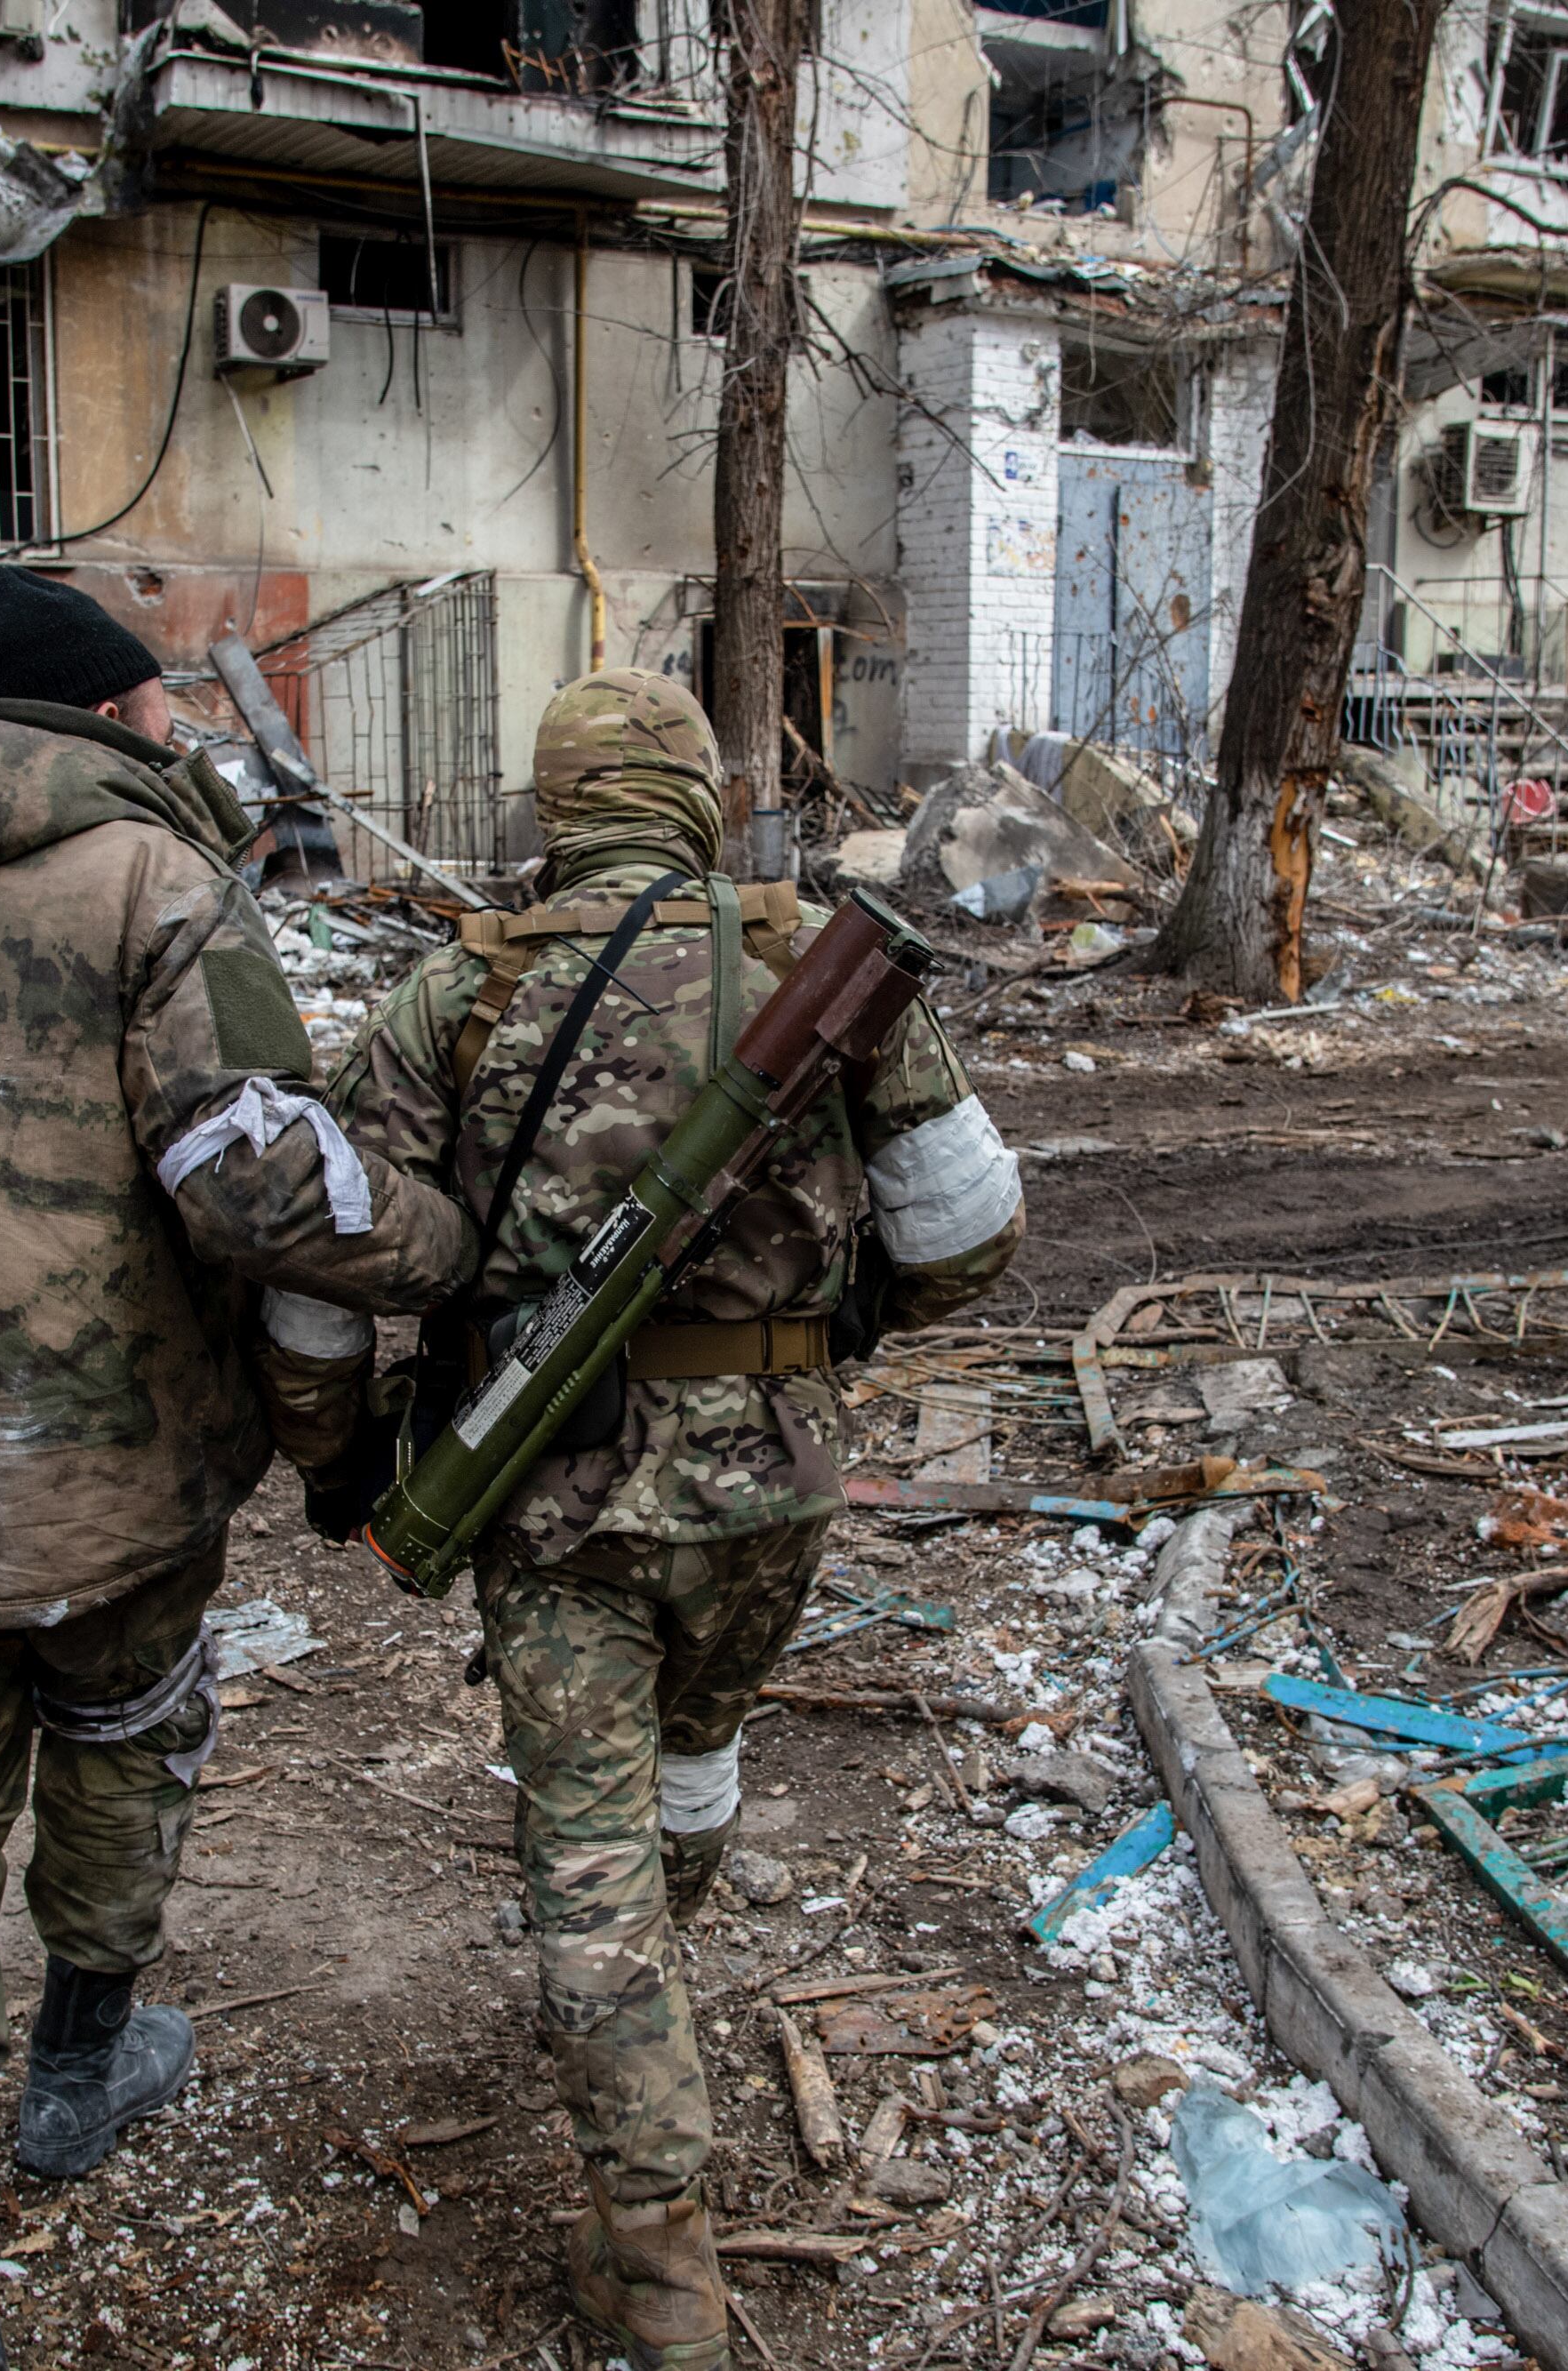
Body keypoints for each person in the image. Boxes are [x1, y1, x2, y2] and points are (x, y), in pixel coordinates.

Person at [0, 565, 472, 2371]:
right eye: (161, 699)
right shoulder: (156, 876)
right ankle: (79, 2061)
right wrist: (443, 1247)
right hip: (108, 1472)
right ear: (119, 710)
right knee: (128, 1738)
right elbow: (253, 1178)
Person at [262, 670, 1027, 2371]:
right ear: (695, 792)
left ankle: (659, 2259)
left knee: (585, 1855)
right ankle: (643, 2010)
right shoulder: (821, 965)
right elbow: (970, 1232)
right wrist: (823, 1346)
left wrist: (334, 1465)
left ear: (552, 809)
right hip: (777, 1481)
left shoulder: (457, 992)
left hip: (549, 1490)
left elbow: (318, 1276)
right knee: (695, 1760)